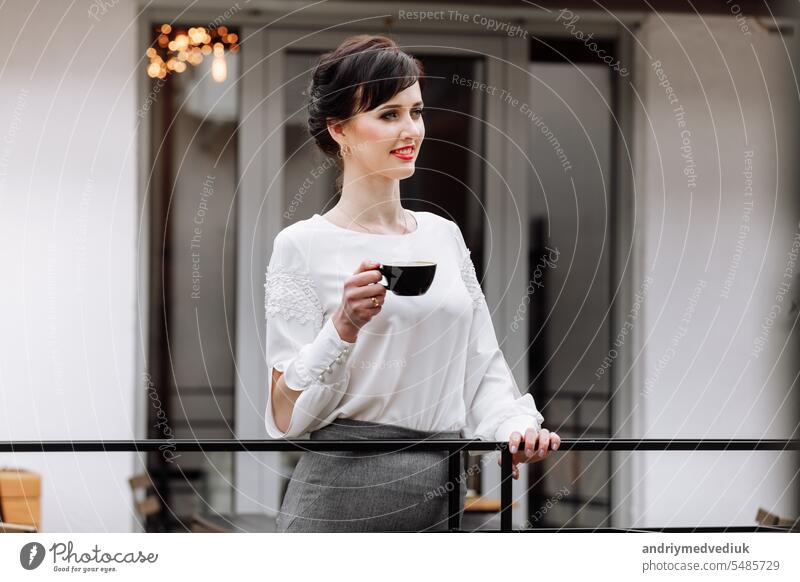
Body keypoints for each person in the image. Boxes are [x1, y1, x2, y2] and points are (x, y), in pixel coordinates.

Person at [264, 34, 560, 532]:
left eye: (415, 111)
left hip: (441, 488)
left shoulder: (444, 236)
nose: (411, 130)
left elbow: (481, 365)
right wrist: (343, 326)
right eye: (387, 114)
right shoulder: (302, 244)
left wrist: (516, 427)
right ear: (340, 130)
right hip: (338, 496)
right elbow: (284, 415)